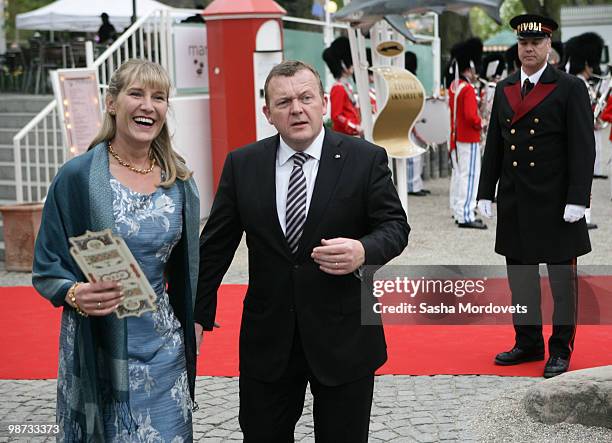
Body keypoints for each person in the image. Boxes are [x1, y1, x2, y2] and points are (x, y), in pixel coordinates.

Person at [195, 60, 409, 441]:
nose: (297, 109)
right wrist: (195, 314)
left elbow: (395, 226)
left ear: (323, 103)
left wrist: (363, 249)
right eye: (284, 102)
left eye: (306, 98)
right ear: (268, 113)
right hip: (269, 338)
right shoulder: (243, 165)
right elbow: (214, 248)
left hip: (344, 336)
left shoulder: (364, 158)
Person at [32, 59, 200, 440]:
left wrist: (197, 321)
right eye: (136, 94)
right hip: (98, 349)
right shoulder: (77, 177)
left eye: (159, 97)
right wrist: (74, 293)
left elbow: (188, 271)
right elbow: (46, 266)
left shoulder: (180, 181)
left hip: (164, 351)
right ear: (112, 103)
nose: (148, 105)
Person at [477, 14, 595, 378]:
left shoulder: (570, 87)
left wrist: (579, 198)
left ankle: (560, 349)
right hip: (516, 199)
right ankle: (527, 341)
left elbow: (582, 147)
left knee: (561, 285)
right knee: (522, 280)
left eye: (536, 43)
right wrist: (485, 192)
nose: (529, 49)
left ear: (549, 47)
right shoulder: (506, 87)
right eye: (523, 43)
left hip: (557, 203)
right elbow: (494, 146)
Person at [565, 32, 606, 230]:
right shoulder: (579, 84)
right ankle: (584, 216)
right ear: (586, 63)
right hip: (580, 138)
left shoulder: (577, 82)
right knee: (583, 176)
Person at [448, 38, 487, 229]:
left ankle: (458, 210)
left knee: (459, 175)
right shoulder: (468, 89)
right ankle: (465, 214)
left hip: (456, 137)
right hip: (468, 138)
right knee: (470, 176)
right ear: (470, 66)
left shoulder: (455, 86)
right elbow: (472, 117)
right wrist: (483, 122)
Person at [322, 36, 362, 136]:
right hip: (345, 136)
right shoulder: (338, 88)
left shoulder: (346, 86)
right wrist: (354, 127)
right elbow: (336, 116)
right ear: (343, 63)